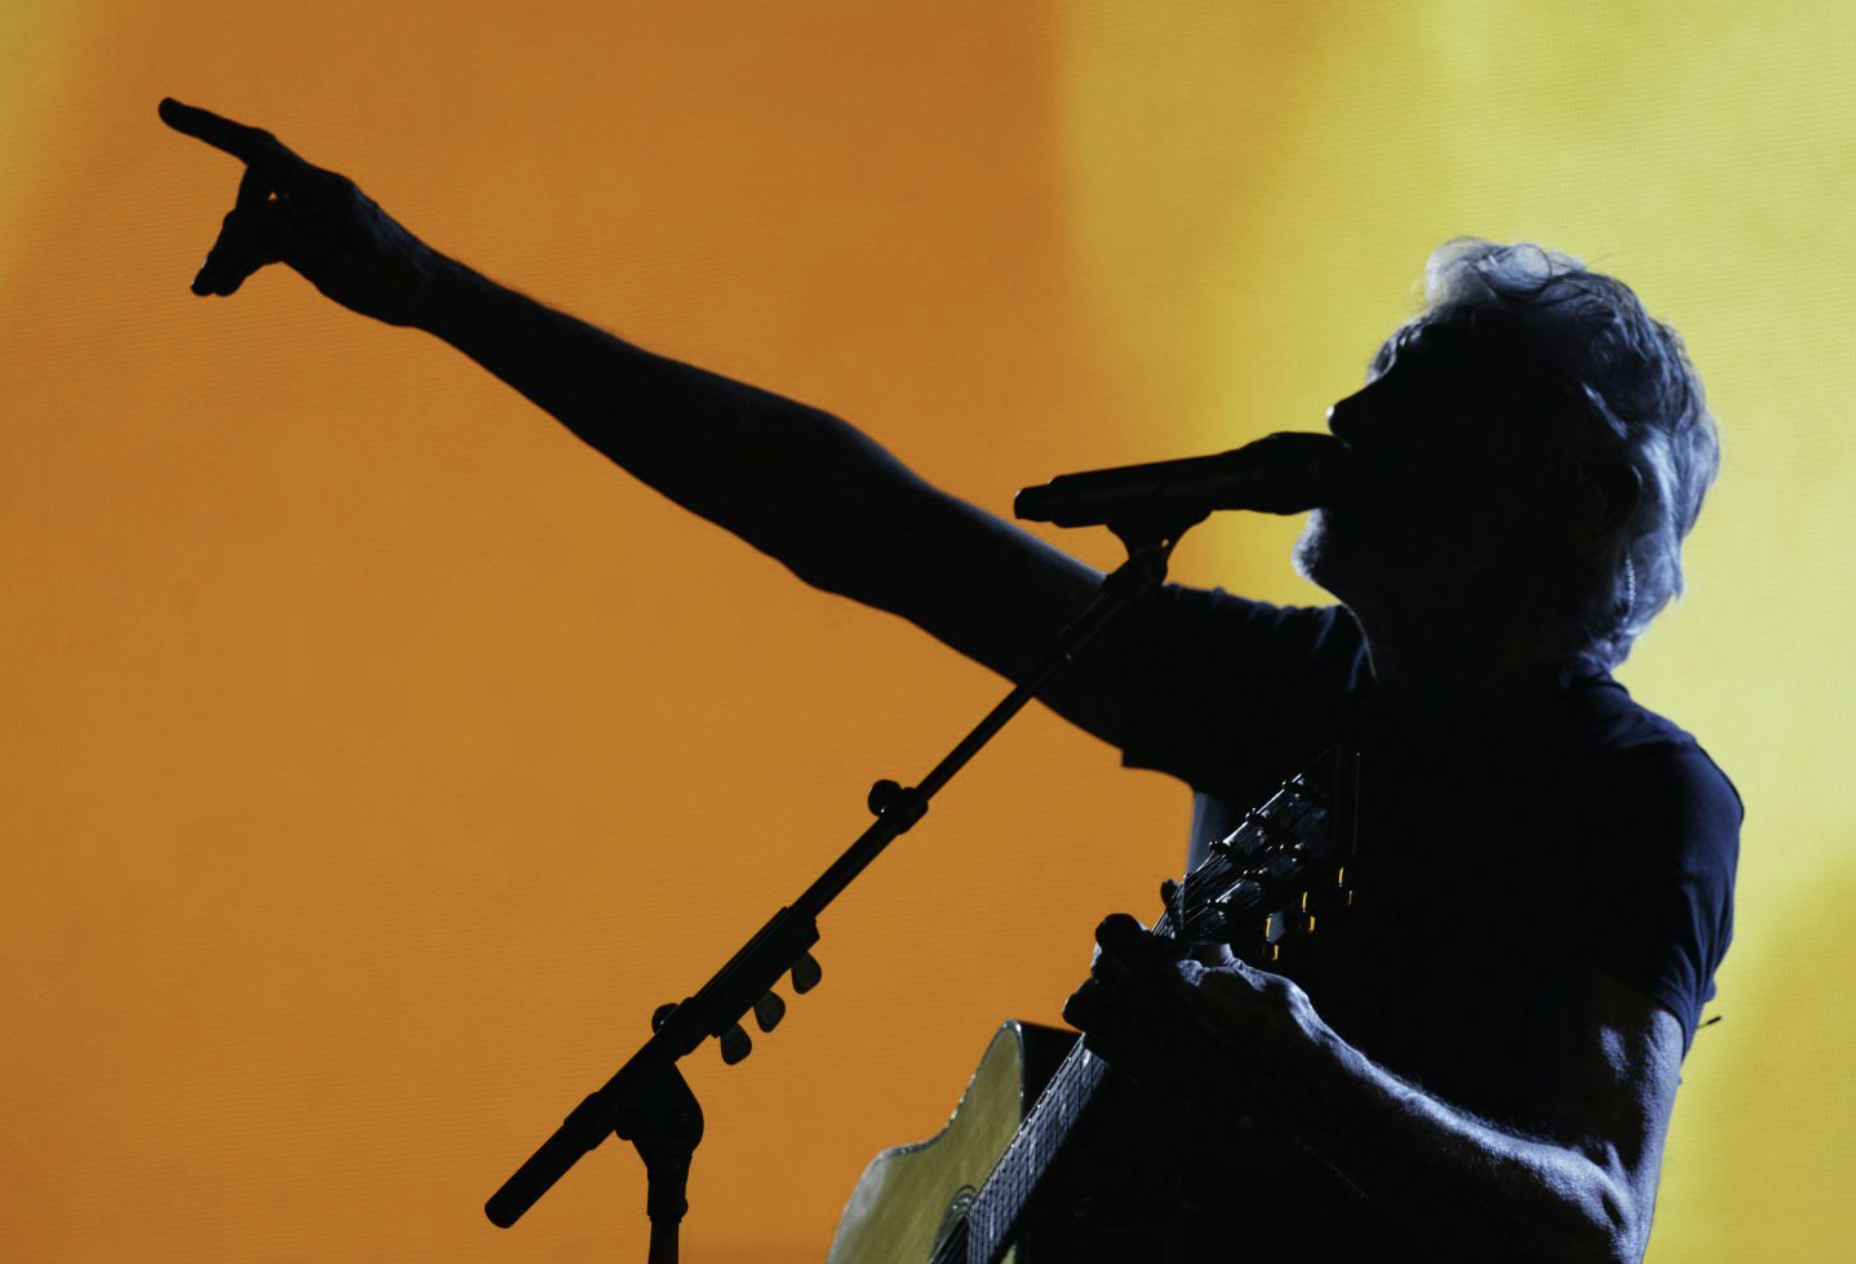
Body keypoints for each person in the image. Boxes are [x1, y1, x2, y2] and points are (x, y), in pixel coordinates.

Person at [158, 97, 1739, 1263]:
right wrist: (423, 285)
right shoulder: (1275, 686)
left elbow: (1596, 1222)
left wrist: (1303, 1068)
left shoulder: (1634, 799)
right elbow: (859, 522)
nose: (1346, 415)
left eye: (1413, 390)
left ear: (1560, 498)